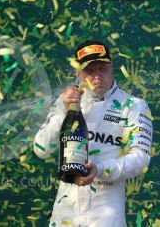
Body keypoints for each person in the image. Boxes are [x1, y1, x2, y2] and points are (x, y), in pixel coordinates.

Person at [33, 40, 153, 226]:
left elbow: (140, 159)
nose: (97, 77)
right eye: (90, 71)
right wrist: (64, 111)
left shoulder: (133, 106)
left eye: (102, 69)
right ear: (77, 73)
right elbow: (41, 150)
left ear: (111, 66)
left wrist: (100, 168)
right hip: (65, 215)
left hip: (106, 216)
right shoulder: (65, 101)